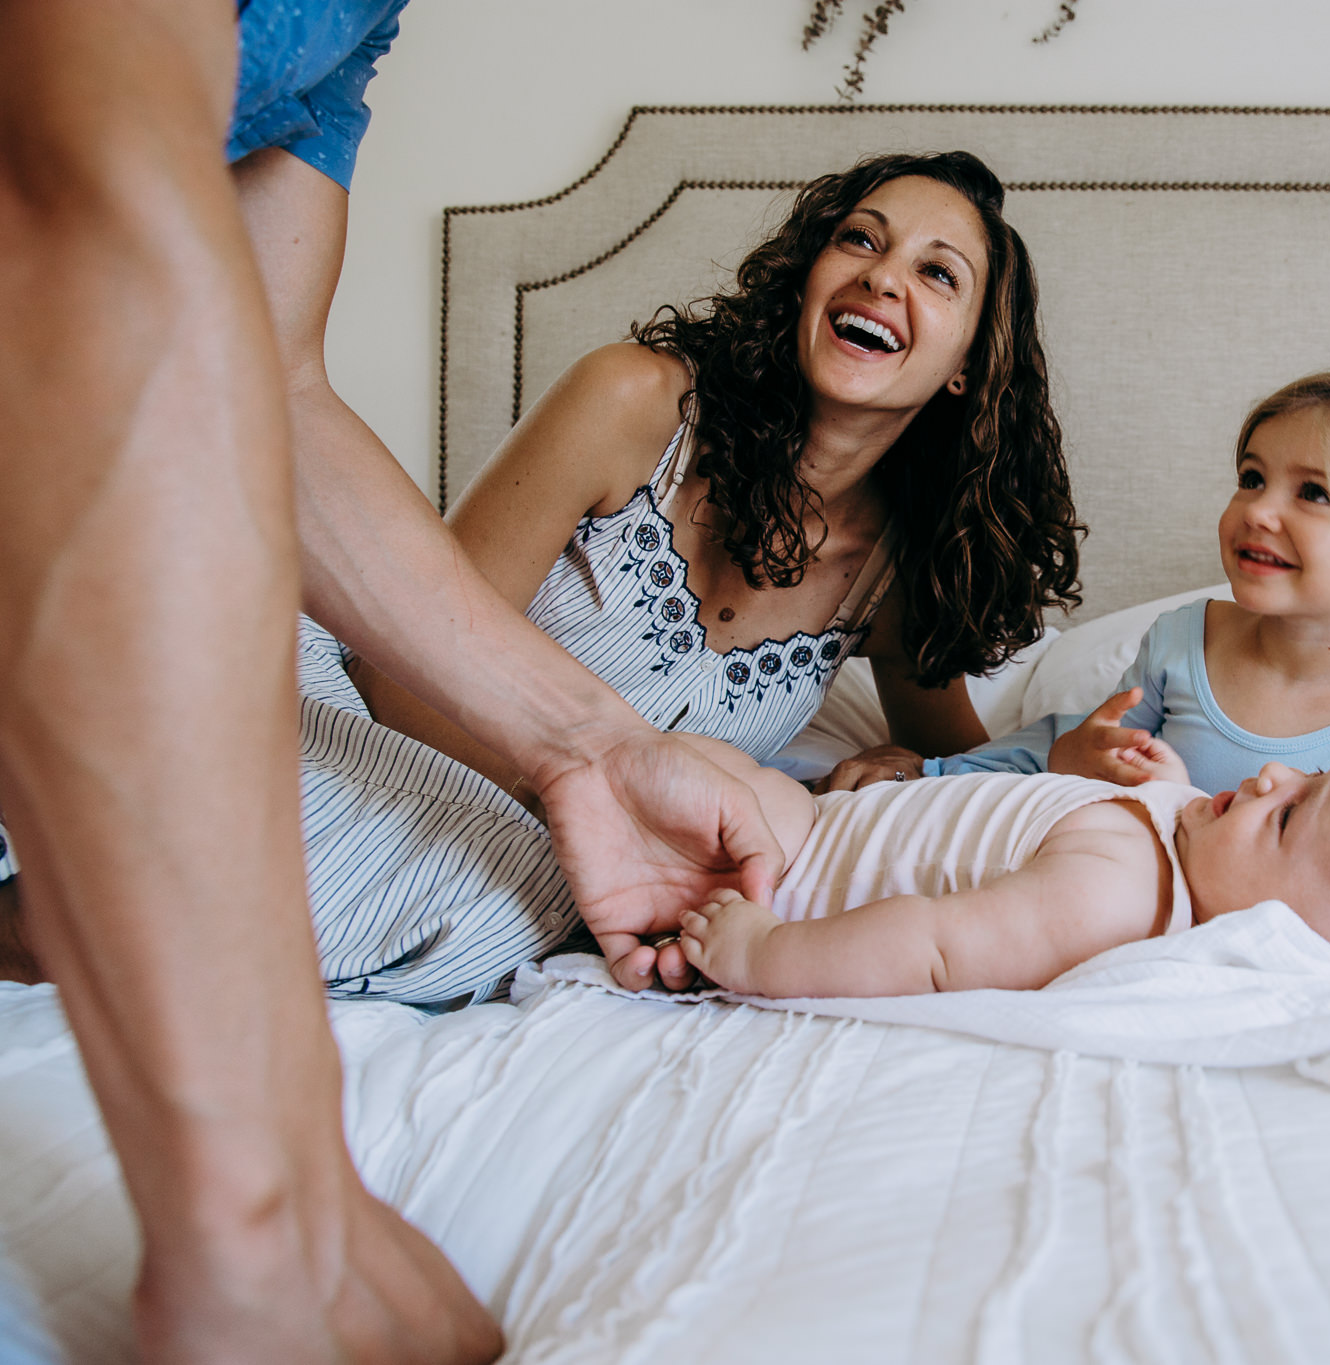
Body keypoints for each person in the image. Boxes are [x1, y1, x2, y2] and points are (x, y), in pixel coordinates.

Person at [0, 2, 779, 1358]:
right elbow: (80, 236)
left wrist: (582, 746)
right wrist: (258, 1212)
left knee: (490, 904)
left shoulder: (348, 24)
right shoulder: (643, 401)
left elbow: (273, 397)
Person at [271, 149, 1077, 1003]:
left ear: (966, 363)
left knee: (504, 909)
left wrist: (919, 773)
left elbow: (966, 765)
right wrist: (596, 785)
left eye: (937, 273)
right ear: (808, 276)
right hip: (347, 716)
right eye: (858, 240)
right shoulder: (635, 404)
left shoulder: (893, 580)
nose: (882, 278)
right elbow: (391, 672)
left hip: (521, 858)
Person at [925, 364, 1330, 795]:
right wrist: (922, 774)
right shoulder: (1184, 641)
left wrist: (1182, 812)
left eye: (1313, 492)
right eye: (1252, 477)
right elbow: (1073, 751)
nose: (1258, 511)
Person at [653, 737, 1330, 1004]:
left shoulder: (1109, 900)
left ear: (1281, 941)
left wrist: (766, 952)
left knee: (681, 772)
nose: (1271, 776)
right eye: (1311, 772)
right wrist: (1169, 784)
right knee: (688, 763)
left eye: (1290, 813)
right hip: (819, 817)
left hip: (796, 867)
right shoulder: (1178, 853)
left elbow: (933, 948)